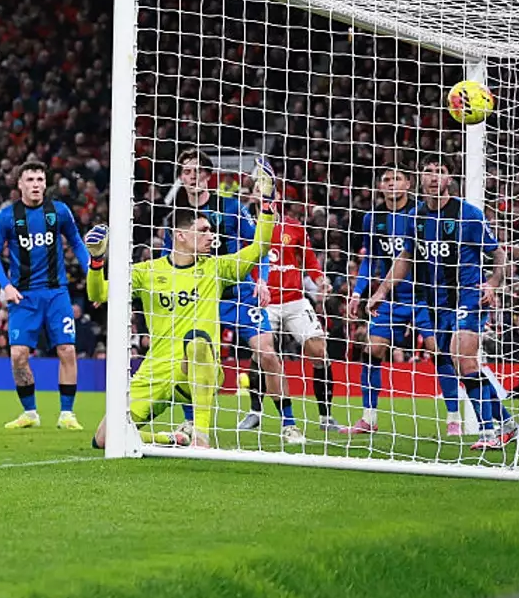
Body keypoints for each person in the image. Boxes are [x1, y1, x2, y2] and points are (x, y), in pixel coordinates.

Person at [90, 159, 278, 450]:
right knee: (104, 438)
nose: (211, 236)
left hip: (199, 368)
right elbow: (100, 294)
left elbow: (259, 248)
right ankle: (171, 438)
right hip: (157, 367)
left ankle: (201, 435)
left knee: (197, 341)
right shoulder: (147, 272)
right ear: (180, 235)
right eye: (203, 231)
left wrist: (266, 206)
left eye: (210, 230)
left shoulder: (216, 268)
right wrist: (96, 262)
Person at [366, 155, 515, 449]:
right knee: (462, 365)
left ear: (449, 180)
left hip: (468, 295)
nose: (434, 177)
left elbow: (498, 253)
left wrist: (493, 284)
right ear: (420, 179)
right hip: (435, 302)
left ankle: (488, 433)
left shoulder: (468, 215)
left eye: (441, 172)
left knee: (464, 357)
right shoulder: (416, 217)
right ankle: (507, 422)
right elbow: (405, 257)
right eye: (428, 172)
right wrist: (382, 291)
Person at [167, 148, 284, 435]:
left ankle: (289, 423)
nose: (193, 176)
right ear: (181, 177)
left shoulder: (232, 207)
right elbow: (169, 256)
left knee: (267, 352)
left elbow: (258, 242)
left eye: (198, 171)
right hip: (201, 297)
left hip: (240, 293)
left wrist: (262, 280)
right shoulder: (178, 215)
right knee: (189, 359)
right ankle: (191, 420)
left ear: (208, 176)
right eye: (187, 171)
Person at [344, 166, 457, 435]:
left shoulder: (421, 213)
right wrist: (358, 292)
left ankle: (453, 416)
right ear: (380, 186)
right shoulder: (373, 218)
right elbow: (370, 259)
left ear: (408, 184)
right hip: (391, 299)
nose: (392, 183)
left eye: (397, 178)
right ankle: (368, 418)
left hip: (424, 296)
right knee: (371, 351)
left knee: (438, 351)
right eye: (386, 179)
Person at [0, 160, 89, 430]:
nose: (35, 185)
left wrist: (92, 272)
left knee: (67, 349)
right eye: (30, 180)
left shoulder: (60, 211)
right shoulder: (8, 216)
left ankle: (67, 413)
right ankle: (30, 412)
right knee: (18, 355)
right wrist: (6, 285)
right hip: (24, 296)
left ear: (45, 184)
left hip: (56, 294)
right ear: (20, 184)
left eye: (40, 180)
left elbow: (76, 242)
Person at [263, 200, 339, 437]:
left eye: (270, 198)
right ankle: (264, 414)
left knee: (319, 351)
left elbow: (310, 261)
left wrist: (320, 280)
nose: (266, 203)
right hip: (265, 302)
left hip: (295, 300)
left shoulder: (294, 226)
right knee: (264, 356)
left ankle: (326, 416)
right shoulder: (248, 226)